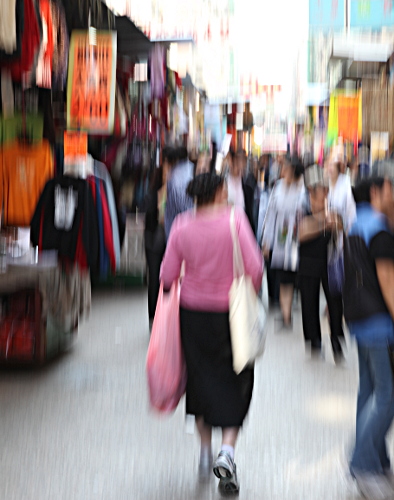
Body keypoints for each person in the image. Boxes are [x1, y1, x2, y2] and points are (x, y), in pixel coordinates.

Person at [160, 173, 263, 494]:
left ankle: (205, 453)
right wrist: (248, 295)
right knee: (236, 379)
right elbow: (255, 268)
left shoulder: (180, 225)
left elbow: (166, 274)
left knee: (200, 379)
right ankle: (227, 452)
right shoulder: (235, 221)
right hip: (230, 316)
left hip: (192, 315)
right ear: (220, 192)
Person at [343, 173, 394, 500]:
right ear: (376, 191)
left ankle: (375, 460)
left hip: (358, 318)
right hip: (379, 321)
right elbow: (388, 281)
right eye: (390, 187)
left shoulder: (355, 223)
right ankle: (362, 463)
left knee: (370, 391)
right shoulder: (379, 229)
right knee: (387, 395)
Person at [298, 165, 345, 361]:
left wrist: (328, 222)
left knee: (335, 303)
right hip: (308, 263)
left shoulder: (332, 209)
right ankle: (314, 341)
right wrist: (323, 223)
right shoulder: (303, 210)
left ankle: (336, 340)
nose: (324, 195)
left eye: (326, 191)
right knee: (309, 303)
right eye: (320, 191)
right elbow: (302, 233)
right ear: (311, 192)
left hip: (329, 264)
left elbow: (340, 225)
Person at [262, 156, 305, 328]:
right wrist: (266, 240)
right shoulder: (278, 187)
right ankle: (285, 314)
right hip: (280, 239)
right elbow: (270, 215)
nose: (282, 171)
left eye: (286, 168)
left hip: (295, 239)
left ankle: (288, 312)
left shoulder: (302, 191)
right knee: (282, 276)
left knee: (291, 276)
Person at [144, 147, 176, 330]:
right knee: (155, 278)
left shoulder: (176, 193)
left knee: (170, 279)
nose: (169, 175)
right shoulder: (153, 194)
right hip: (154, 241)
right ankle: (153, 317)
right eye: (166, 172)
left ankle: (168, 316)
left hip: (170, 241)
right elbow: (151, 218)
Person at [164, 146, 194, 239]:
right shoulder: (192, 168)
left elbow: (181, 209)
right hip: (193, 228)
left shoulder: (175, 179)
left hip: (179, 231)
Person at [227, 149, 255, 233]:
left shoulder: (248, 187)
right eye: (238, 163)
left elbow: (249, 212)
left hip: (242, 229)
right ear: (231, 163)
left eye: (243, 162)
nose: (240, 167)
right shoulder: (224, 184)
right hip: (228, 227)